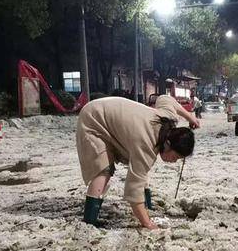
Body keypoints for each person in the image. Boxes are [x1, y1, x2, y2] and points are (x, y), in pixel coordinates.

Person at [76, 95, 200, 230]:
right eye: (175, 157)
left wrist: (190, 117)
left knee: (141, 166)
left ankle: (147, 204)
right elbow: (133, 190)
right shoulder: (147, 143)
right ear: (168, 144)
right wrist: (147, 223)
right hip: (94, 118)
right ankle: (89, 221)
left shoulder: (169, 119)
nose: (174, 161)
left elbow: (166, 99)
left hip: (109, 113)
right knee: (104, 169)